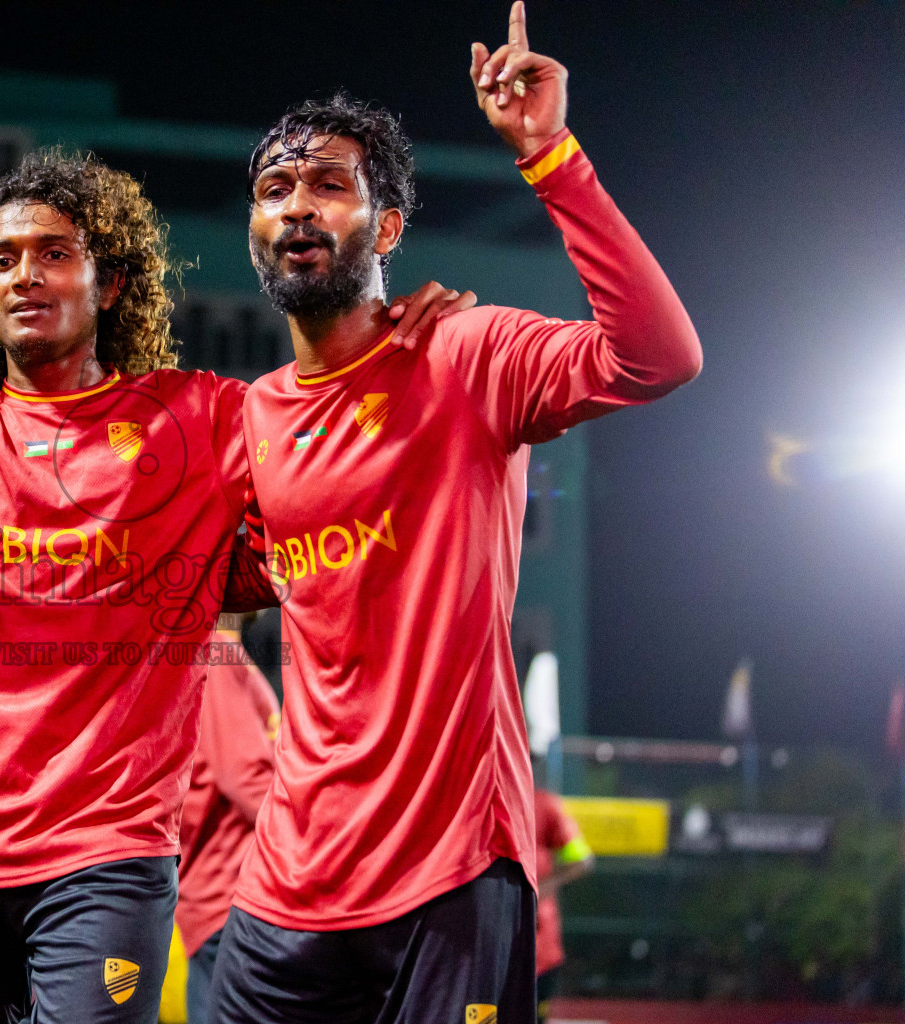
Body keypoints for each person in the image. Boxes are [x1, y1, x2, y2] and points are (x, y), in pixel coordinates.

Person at [0, 57, 470, 1024]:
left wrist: (406, 337)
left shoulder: (204, 418)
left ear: (109, 284)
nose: (25, 274)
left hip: (105, 861)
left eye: (53, 253)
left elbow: (326, 451)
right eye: (1, 259)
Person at [210, 4, 702, 1022]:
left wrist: (551, 157)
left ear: (386, 226)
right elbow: (211, 591)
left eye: (330, 184)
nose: (298, 206)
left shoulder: (467, 353)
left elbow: (659, 357)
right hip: (287, 884)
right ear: (255, 230)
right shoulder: (252, 417)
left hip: (448, 873)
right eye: (275, 188)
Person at [175, 613, 279, 1024]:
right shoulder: (217, 651)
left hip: (219, 903)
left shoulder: (211, 651)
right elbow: (245, 778)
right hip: (232, 902)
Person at [534, 786, 593, 1022]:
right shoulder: (480, 797)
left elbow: (581, 859)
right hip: (491, 947)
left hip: (539, 949)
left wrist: (540, 889)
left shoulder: (544, 804)